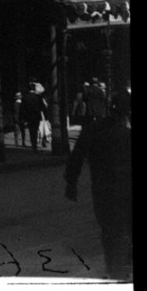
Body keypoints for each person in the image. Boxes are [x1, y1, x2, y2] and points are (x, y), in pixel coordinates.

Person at [64, 86, 131, 279]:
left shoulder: (93, 130)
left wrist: (71, 182)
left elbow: (76, 157)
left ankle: (114, 269)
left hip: (102, 191)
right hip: (125, 192)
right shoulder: (125, 132)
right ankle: (121, 270)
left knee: (110, 232)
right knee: (121, 232)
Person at [19, 82, 47, 152]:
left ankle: (33, 145)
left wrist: (22, 118)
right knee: (35, 130)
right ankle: (34, 146)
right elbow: (43, 107)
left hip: (29, 117)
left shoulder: (25, 97)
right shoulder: (38, 97)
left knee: (31, 131)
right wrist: (46, 116)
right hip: (36, 116)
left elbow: (22, 108)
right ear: (34, 89)